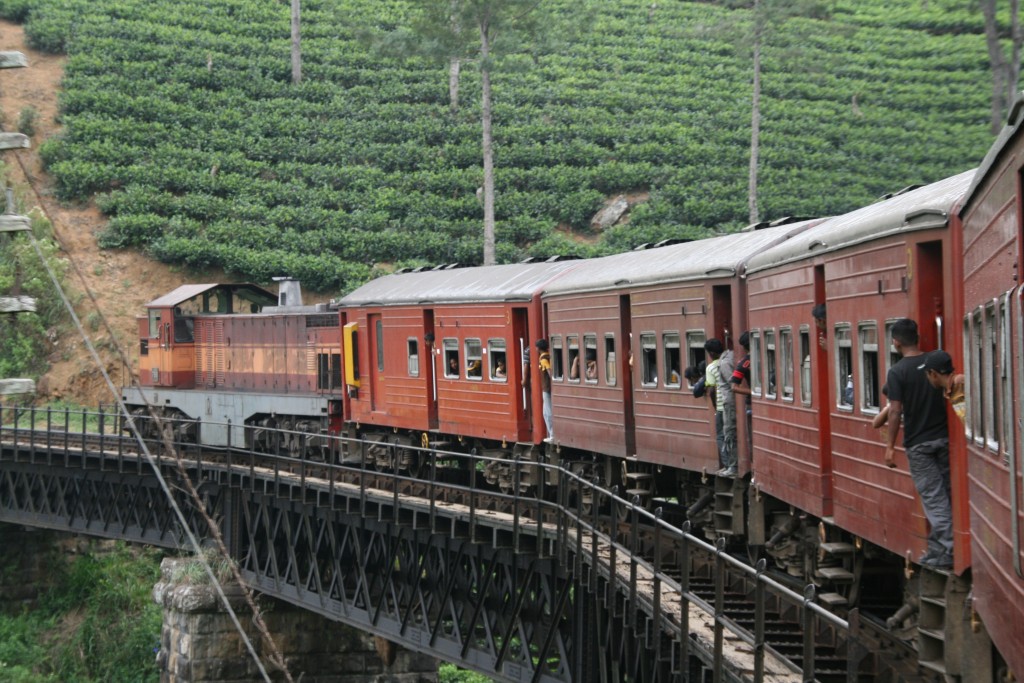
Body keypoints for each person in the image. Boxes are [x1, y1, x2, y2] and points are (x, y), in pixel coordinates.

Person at [884, 319, 953, 569]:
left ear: (896, 342)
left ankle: (949, 549)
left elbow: (894, 411)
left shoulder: (897, 372)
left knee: (933, 498)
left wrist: (890, 446)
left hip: (919, 444)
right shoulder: (935, 363)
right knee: (944, 494)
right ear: (918, 337)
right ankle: (938, 547)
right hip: (944, 439)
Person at [704, 338, 736, 476]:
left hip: (724, 405)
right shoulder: (732, 356)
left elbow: (711, 390)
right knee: (729, 435)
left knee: (723, 436)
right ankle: (730, 465)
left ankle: (729, 465)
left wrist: (715, 407)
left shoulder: (713, 367)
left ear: (711, 353)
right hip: (730, 404)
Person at [919, 350, 966, 423]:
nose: (927, 378)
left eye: (927, 374)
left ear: (933, 374)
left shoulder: (960, 382)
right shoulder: (951, 389)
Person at [535, 339, 554, 442]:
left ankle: (552, 434)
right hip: (547, 388)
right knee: (545, 412)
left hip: (547, 388)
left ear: (538, 348)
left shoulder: (543, 359)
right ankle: (551, 434)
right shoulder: (548, 355)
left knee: (548, 412)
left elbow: (549, 371)